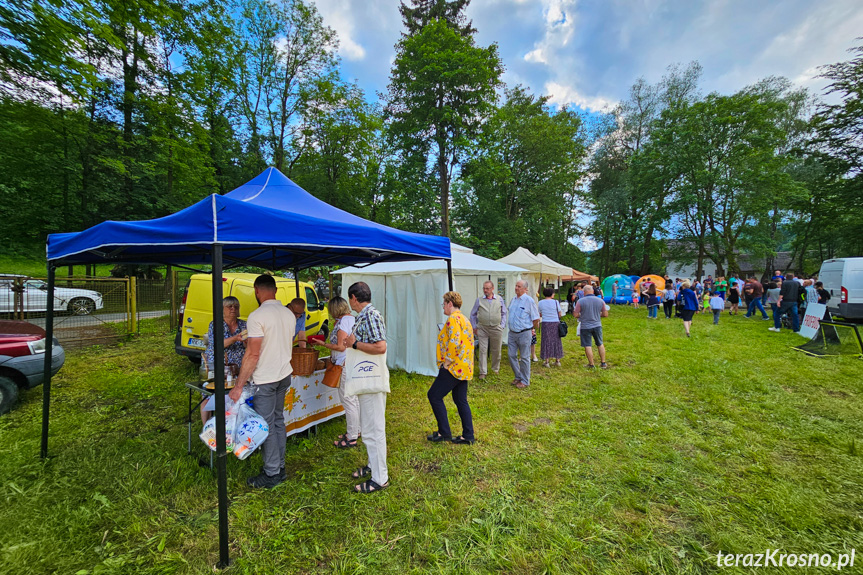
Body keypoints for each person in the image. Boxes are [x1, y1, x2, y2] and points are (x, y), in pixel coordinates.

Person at [230, 275, 294, 489]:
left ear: (257, 291)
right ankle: (280, 466)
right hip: (284, 374)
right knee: (277, 421)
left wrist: (239, 386)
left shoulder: (257, 316)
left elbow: (253, 354)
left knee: (266, 426)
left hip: (266, 379)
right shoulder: (288, 313)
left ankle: (272, 472)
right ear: (275, 290)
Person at [343, 282, 389, 493]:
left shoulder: (370, 315)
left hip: (371, 380)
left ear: (354, 298)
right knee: (369, 427)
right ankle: (373, 466)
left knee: (373, 429)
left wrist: (354, 345)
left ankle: (380, 479)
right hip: (366, 379)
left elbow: (380, 346)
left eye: (349, 298)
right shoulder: (365, 316)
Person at [427, 291, 475, 445]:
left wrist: (446, 363)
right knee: (460, 400)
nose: (443, 308)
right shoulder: (464, 319)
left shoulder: (452, 320)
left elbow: (455, 343)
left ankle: (444, 432)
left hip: (454, 367)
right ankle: (468, 435)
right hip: (465, 366)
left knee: (434, 395)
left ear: (449, 304)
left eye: (444, 304)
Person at [319, 296, 360, 449]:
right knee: (354, 400)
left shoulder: (343, 322)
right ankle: (357, 430)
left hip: (344, 364)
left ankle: (351, 437)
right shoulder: (353, 319)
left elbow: (341, 347)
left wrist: (323, 344)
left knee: (348, 401)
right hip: (352, 362)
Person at [202, 297, 247, 424]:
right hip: (216, 366)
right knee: (207, 395)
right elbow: (217, 344)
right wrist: (235, 338)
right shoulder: (215, 324)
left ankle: (232, 423)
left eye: (236, 306)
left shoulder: (244, 324)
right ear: (222, 310)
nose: (233, 309)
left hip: (237, 367)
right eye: (229, 306)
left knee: (235, 395)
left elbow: (248, 346)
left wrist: (246, 342)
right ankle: (206, 427)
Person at [469, 281, 507, 380]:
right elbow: (473, 314)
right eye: (484, 288)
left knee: (496, 349)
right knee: (482, 350)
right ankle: (483, 371)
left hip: (496, 327)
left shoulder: (499, 299)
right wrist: (474, 327)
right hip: (483, 328)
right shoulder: (479, 300)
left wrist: (502, 325)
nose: (485, 290)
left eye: (487, 288)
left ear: (492, 289)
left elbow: (504, 313)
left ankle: (495, 368)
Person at [507, 280, 540, 389]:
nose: (516, 288)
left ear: (525, 289)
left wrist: (531, 328)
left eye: (519, 286)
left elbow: (536, 318)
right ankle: (518, 376)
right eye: (516, 286)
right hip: (512, 333)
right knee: (511, 355)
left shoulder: (529, 301)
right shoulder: (513, 300)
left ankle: (525, 381)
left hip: (524, 333)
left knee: (525, 357)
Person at [573, 285, 608, 369]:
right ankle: (603, 363)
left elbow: (575, 314)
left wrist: (582, 315)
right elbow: (605, 314)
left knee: (587, 345)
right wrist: (597, 314)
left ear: (584, 292)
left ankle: (591, 364)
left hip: (585, 326)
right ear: (592, 291)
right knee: (600, 343)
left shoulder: (580, 301)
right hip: (597, 325)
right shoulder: (600, 301)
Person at [537, 287, 564, 367]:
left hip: (546, 323)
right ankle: (557, 360)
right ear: (552, 294)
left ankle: (547, 361)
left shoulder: (541, 302)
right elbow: (559, 314)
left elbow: (539, 314)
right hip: (555, 323)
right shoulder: (556, 302)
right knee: (556, 341)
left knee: (546, 341)